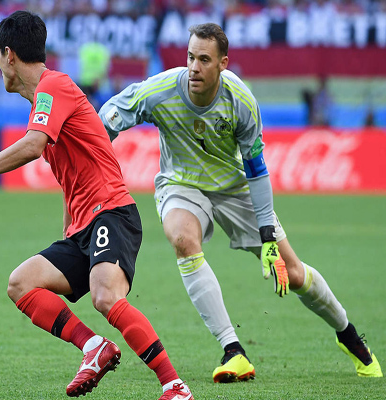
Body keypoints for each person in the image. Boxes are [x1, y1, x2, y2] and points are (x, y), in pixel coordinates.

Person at [0, 11, 194, 400]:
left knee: (105, 297)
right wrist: (69, 226)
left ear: (9, 55)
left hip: (112, 213)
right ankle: (94, 348)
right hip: (83, 227)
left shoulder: (55, 87)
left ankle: (175, 387)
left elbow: (34, 146)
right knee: (21, 284)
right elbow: (72, 175)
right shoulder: (45, 99)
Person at [99, 22, 382, 383]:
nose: (194, 67)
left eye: (204, 59)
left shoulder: (241, 101)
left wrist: (267, 234)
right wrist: (86, 153)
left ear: (223, 64)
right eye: (190, 57)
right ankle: (234, 350)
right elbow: (106, 122)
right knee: (184, 240)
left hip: (235, 190)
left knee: (294, 274)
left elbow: (256, 170)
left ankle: (349, 335)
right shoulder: (159, 91)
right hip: (181, 186)